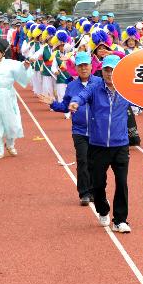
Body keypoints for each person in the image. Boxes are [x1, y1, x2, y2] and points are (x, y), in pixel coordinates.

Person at [69, 54, 133, 233]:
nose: (109, 73)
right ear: (101, 70)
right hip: (98, 145)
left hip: (120, 145)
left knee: (122, 182)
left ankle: (120, 219)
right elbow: (82, 95)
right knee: (98, 183)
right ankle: (103, 209)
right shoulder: (95, 87)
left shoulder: (127, 89)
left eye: (113, 70)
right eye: (106, 69)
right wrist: (75, 102)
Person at [39, 51, 101, 205]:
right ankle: (84, 193)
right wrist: (53, 103)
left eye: (86, 65)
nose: (83, 68)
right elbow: (65, 107)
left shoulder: (100, 83)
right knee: (82, 160)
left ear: (91, 66)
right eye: (80, 66)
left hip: (98, 130)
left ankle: (95, 190)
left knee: (96, 162)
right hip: (79, 130)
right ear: (76, 68)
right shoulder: (72, 85)